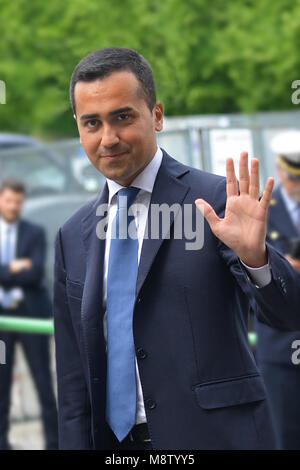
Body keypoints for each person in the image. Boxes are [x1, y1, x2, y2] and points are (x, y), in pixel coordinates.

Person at [53, 47, 300, 450]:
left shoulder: (215, 201)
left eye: (123, 117)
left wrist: (256, 259)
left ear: (157, 115)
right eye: (92, 123)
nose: (108, 138)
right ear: (79, 129)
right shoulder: (72, 235)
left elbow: (288, 314)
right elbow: (73, 385)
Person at [0, 179, 58, 450]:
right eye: (9, 200)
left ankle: (55, 443)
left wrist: (5, 272)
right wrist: (14, 267)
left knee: (43, 381)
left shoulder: (33, 232)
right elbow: (26, 272)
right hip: (2, 324)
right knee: (1, 381)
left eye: (18, 202)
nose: (13, 207)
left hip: (30, 318)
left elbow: (35, 272)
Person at [255, 131, 300, 449]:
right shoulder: (260, 211)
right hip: (281, 348)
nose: (298, 187)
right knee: (284, 436)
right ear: (280, 170)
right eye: (293, 178)